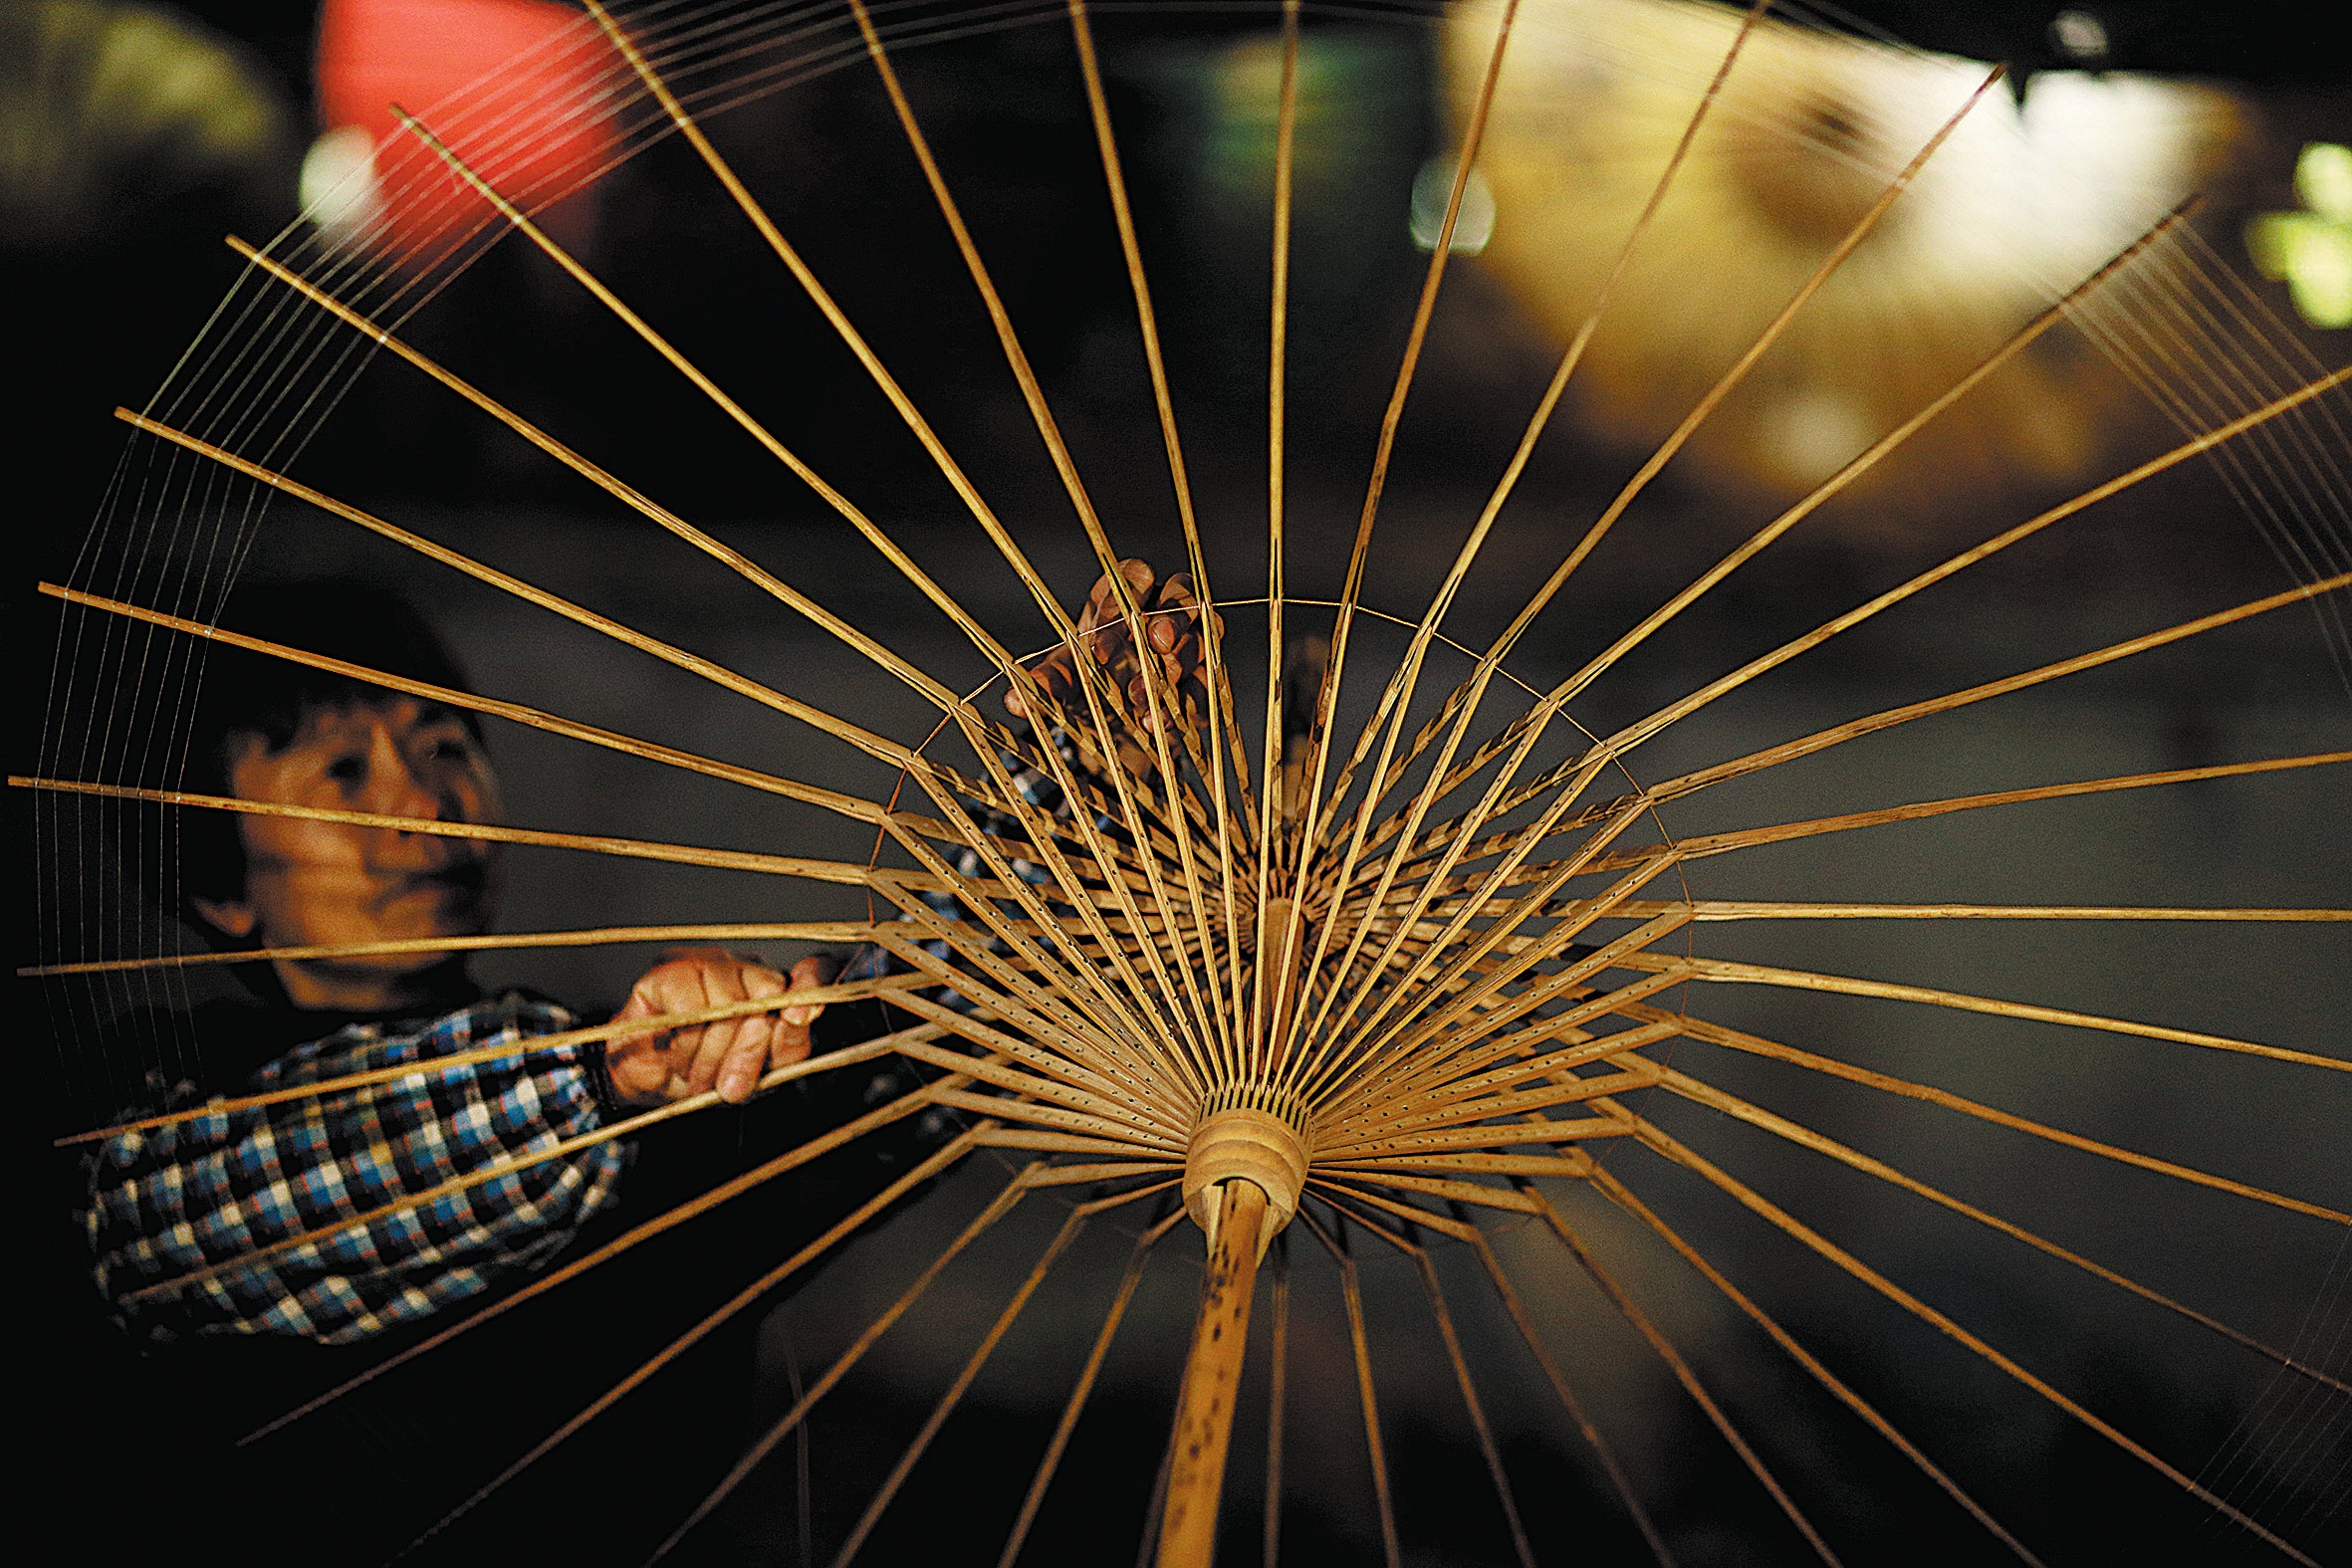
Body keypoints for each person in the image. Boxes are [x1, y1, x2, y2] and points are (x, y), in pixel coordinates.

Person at [68, 564, 1205, 1559]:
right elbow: (311, 1175)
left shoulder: (674, 1090)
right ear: (222, 885)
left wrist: (1088, 763)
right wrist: (610, 1076)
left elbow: (929, 1017)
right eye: (344, 776)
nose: (423, 805)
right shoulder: (159, 1124)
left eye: (445, 747)